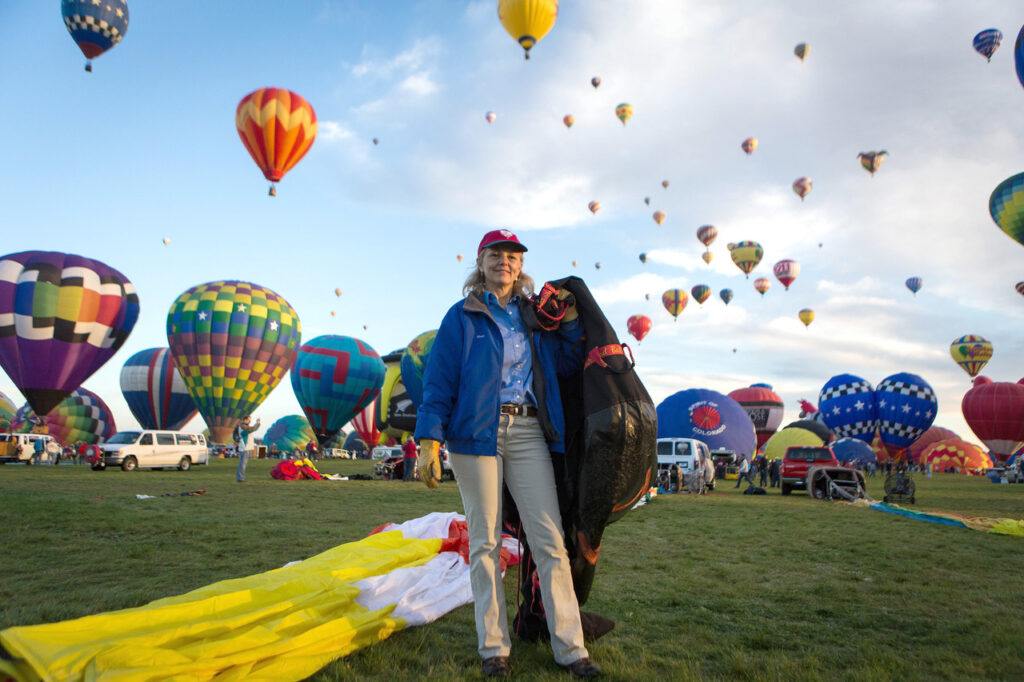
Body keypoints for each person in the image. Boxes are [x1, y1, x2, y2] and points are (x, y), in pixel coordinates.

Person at [413, 229, 600, 679]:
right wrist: (428, 441)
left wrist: (573, 323)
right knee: (486, 543)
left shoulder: (535, 318)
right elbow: (439, 382)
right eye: (496, 254)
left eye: (513, 256)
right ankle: (494, 647)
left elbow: (568, 367)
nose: (505, 262)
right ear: (481, 262)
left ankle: (571, 650)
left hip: (529, 429)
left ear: (521, 266)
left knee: (549, 541)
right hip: (476, 435)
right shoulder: (462, 317)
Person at [234, 415, 261, 482]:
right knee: (243, 464)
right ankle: (241, 478)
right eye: (249, 420)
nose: (250, 421)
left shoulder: (243, 427)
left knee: (242, 463)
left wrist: (258, 424)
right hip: (245, 448)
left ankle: (240, 477)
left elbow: (253, 429)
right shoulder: (243, 428)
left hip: (245, 447)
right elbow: (252, 429)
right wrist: (257, 423)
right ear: (245, 420)